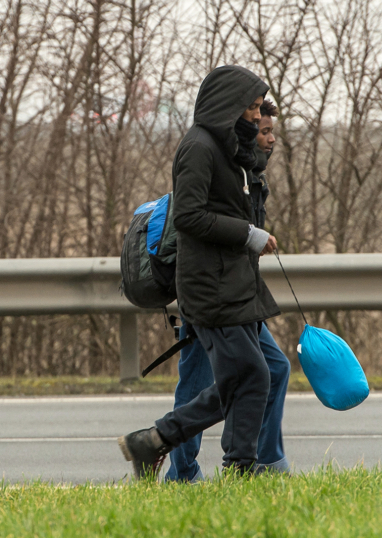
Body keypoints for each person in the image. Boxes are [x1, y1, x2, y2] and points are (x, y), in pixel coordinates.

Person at [118, 66, 281, 478]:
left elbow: (238, 187)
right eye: (251, 108)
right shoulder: (199, 146)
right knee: (249, 376)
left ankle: (157, 443)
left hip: (234, 283)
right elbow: (190, 215)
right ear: (230, 106)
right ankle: (230, 463)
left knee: (252, 377)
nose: (255, 117)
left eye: (259, 108)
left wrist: (256, 153)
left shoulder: (226, 146)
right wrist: (248, 234)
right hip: (209, 286)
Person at [163, 99, 290, 482]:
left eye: (270, 131)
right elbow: (193, 218)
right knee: (208, 380)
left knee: (269, 369)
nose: (269, 139)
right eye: (263, 129)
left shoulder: (248, 171)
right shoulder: (207, 152)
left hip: (237, 294)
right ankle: (181, 468)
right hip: (212, 295)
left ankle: (263, 461)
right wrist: (250, 235)